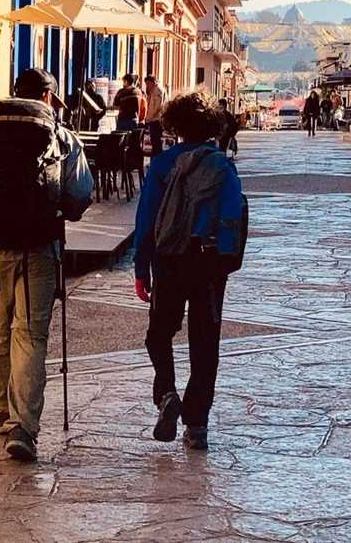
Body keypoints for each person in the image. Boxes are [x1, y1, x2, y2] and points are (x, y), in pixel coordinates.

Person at [0, 68, 94, 462]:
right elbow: (80, 197)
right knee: (29, 336)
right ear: (47, 96)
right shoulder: (61, 136)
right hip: (39, 249)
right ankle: (23, 428)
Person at [134, 91, 246, 451]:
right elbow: (234, 217)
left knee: (158, 334)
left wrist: (141, 266)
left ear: (176, 126)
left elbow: (146, 218)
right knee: (204, 342)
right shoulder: (223, 167)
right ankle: (197, 425)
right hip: (209, 262)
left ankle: (166, 391)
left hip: (168, 260)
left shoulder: (164, 165)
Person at [143, 74, 168, 156]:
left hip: (155, 120)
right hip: (153, 120)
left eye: (147, 84)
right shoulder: (154, 90)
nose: (147, 86)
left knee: (156, 143)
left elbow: (157, 107)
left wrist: (149, 118)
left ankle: (157, 159)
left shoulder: (157, 90)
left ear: (152, 82)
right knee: (155, 143)